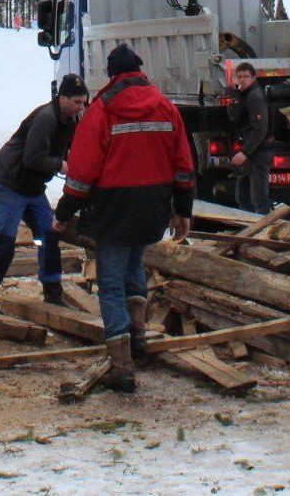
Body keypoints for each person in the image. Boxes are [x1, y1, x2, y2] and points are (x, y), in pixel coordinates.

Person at [54, 43, 196, 394]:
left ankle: (122, 365)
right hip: (153, 205)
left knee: (112, 282)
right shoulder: (165, 106)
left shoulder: (102, 110)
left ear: (113, 72)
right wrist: (183, 210)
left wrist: (64, 212)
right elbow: (183, 165)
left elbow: (82, 172)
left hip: (114, 206)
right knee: (135, 269)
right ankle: (138, 340)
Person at [0, 75, 89, 309]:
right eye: (76, 102)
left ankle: (52, 290)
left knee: (48, 234)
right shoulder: (46, 118)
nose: (80, 107)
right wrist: (61, 165)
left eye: (83, 102)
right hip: (10, 181)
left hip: (33, 186)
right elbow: (33, 157)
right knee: (6, 239)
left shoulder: (70, 121)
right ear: (62, 98)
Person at [227, 61, 272, 215]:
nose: (242, 80)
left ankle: (264, 231)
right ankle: (248, 229)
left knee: (259, 197)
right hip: (249, 152)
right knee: (243, 196)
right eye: (239, 77)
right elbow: (234, 117)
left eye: (246, 76)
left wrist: (245, 152)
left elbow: (260, 128)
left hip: (258, 152)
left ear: (253, 78)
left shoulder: (255, 96)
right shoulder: (242, 95)